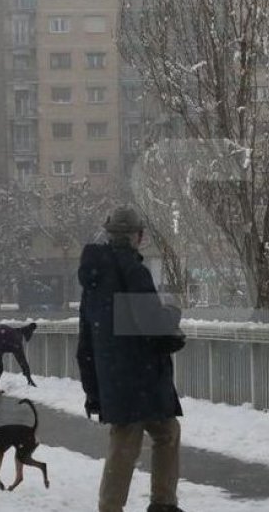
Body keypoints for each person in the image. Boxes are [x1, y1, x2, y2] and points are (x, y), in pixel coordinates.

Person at [77, 206, 186, 512]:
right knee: (146, 438)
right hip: (143, 376)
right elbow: (151, 321)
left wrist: (93, 389)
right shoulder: (133, 270)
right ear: (138, 236)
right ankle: (158, 503)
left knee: (150, 436)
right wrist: (173, 312)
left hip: (114, 377)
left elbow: (86, 338)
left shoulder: (93, 278)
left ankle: (148, 504)